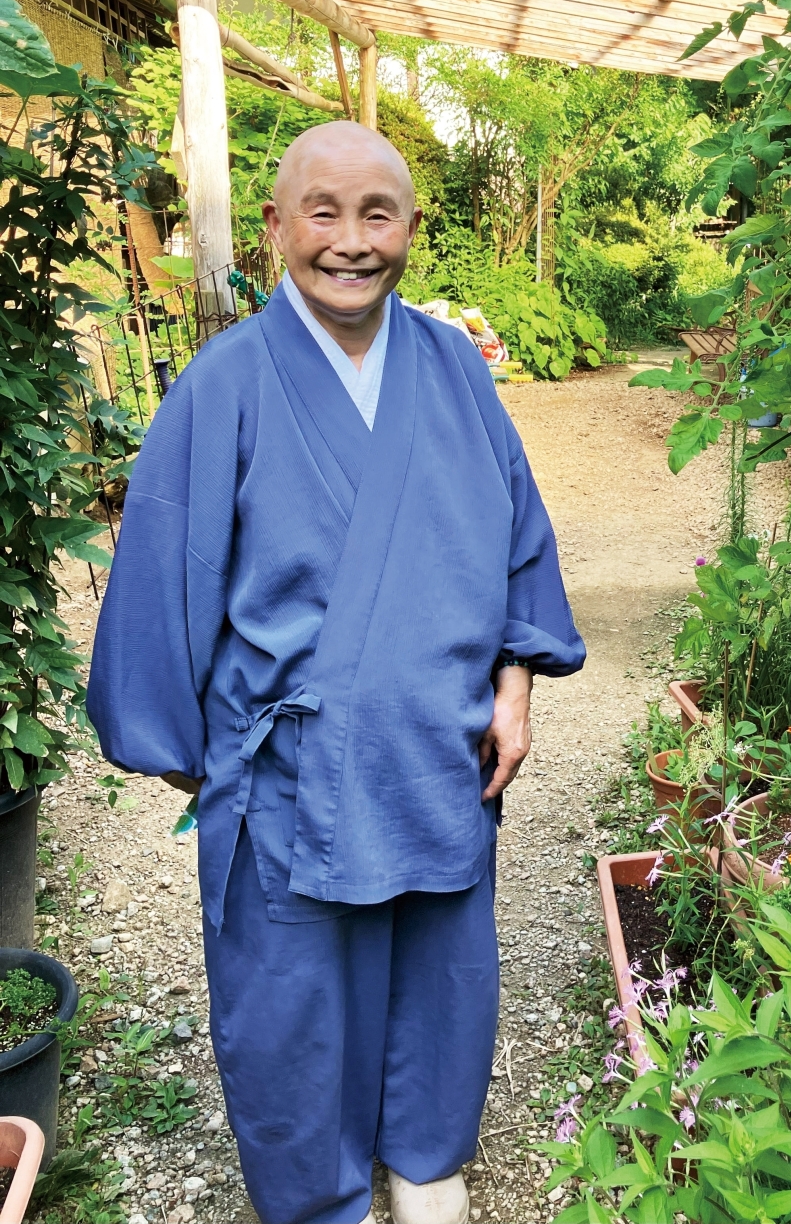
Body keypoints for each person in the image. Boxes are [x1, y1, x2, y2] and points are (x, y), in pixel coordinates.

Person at [88, 122, 585, 1224]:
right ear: (273, 227)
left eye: (379, 215)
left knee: (442, 980)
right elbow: (164, 572)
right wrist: (209, 765)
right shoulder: (222, 388)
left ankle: (424, 1157)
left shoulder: (455, 367)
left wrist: (516, 682)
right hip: (294, 780)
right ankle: (319, 1195)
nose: (351, 242)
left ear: (413, 227)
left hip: (441, 757)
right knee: (294, 1006)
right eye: (324, 212)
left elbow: (519, 540)